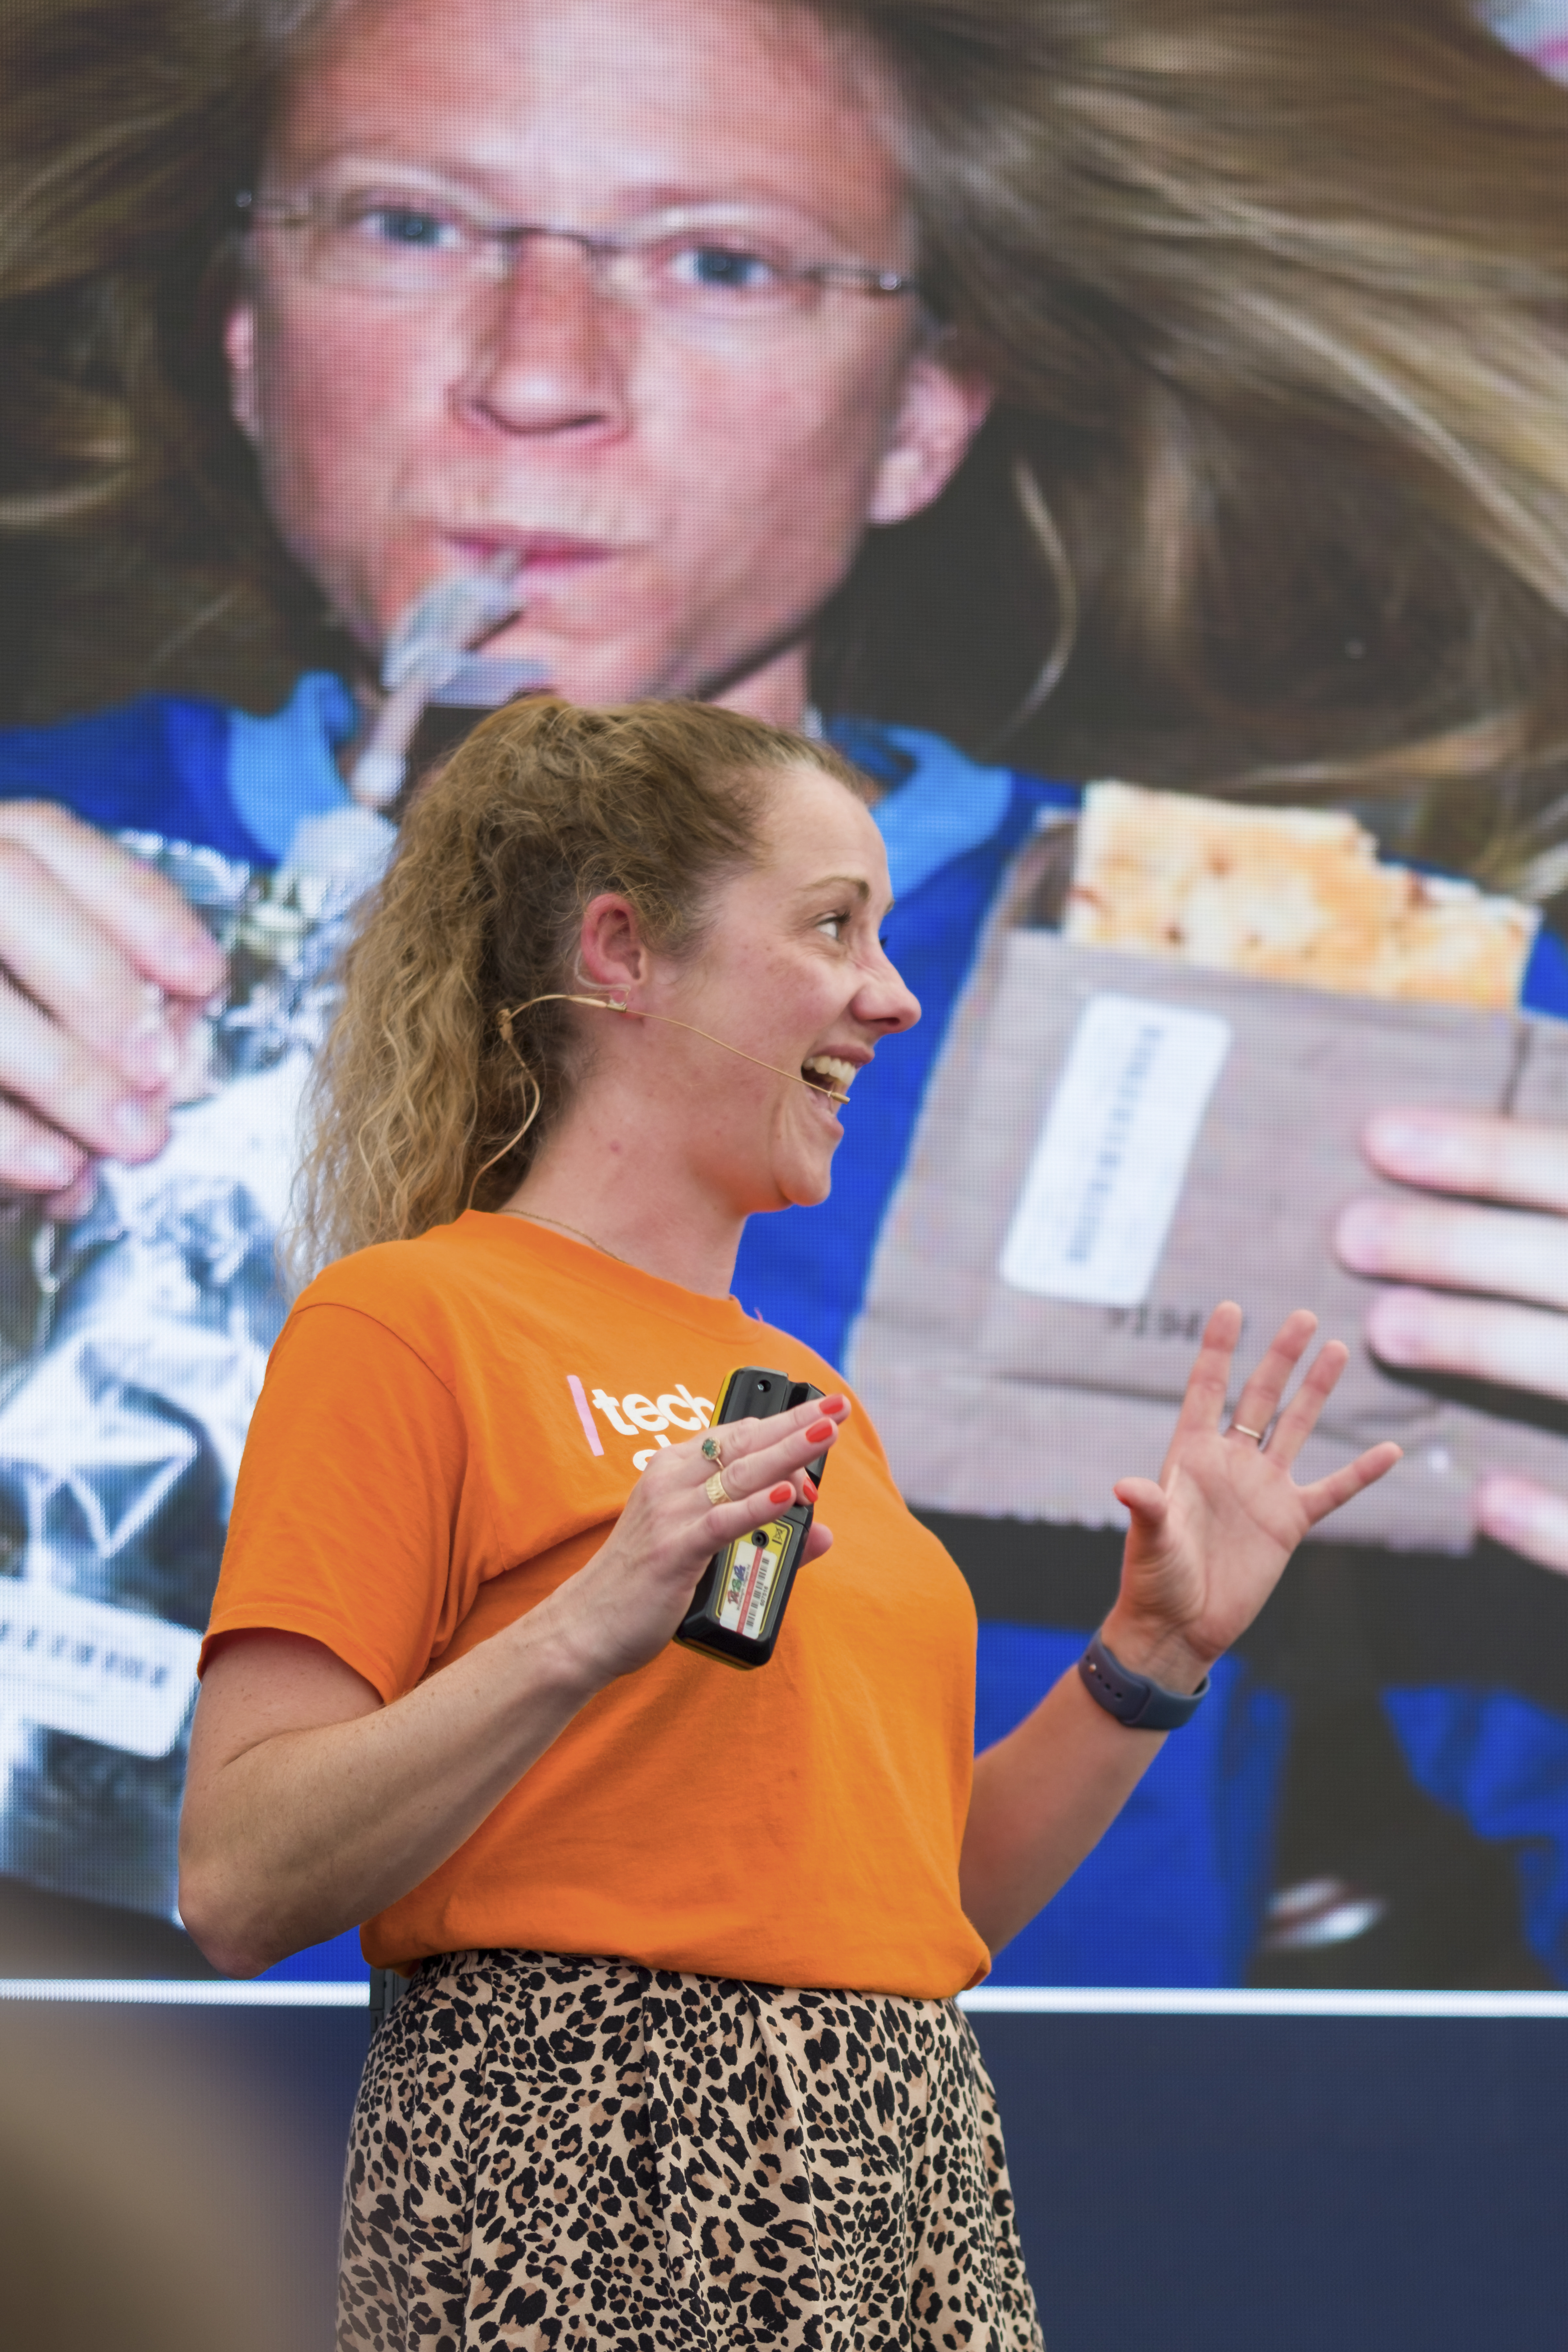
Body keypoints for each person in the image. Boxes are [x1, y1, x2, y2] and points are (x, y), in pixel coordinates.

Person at [0, 0, 1565, 1981]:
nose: (535, 374)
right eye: (407, 224)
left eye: (723, 262)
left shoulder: (1311, 1011)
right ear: (245, 332)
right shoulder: (39, 871)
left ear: (925, 414)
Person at [176, 695, 1398, 2342]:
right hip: (579, 2174)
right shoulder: (410, 1321)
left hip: (908, 2167)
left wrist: (1153, 1655)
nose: (893, 995)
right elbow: (240, 1879)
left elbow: (916, 1904)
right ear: (624, 952)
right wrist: (580, 1635)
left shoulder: (814, 1396)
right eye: (832, 927)